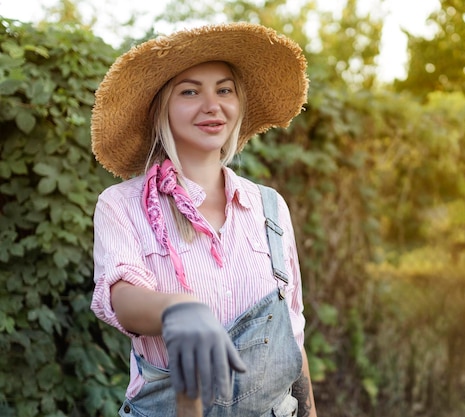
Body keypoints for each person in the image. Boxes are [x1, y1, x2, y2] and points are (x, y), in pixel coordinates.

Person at [89, 22, 317, 417]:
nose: (212, 105)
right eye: (190, 91)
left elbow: (292, 336)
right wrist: (175, 309)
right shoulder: (121, 204)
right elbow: (121, 297)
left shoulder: (269, 207)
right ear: (163, 106)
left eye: (224, 90)